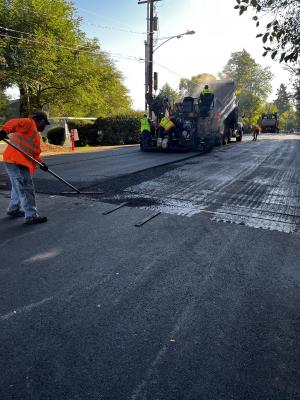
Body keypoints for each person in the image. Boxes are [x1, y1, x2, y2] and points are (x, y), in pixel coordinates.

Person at [0, 112, 50, 224]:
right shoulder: (29, 123)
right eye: (44, 124)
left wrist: (41, 164)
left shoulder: (33, 134)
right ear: (41, 121)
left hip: (15, 160)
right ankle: (31, 216)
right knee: (26, 187)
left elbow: (33, 153)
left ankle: (13, 208)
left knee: (17, 185)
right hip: (16, 161)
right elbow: (14, 122)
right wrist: (4, 131)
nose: (44, 126)